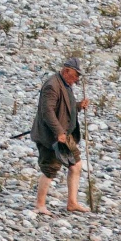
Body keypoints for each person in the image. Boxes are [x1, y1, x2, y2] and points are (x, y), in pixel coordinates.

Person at [32, 57, 88, 215]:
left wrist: (78, 106)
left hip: (65, 135)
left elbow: (65, 107)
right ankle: (40, 205)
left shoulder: (65, 84)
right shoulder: (52, 86)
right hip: (51, 136)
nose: (76, 79)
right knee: (49, 169)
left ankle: (72, 203)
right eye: (76, 75)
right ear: (67, 71)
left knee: (76, 166)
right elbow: (47, 112)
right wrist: (58, 132)